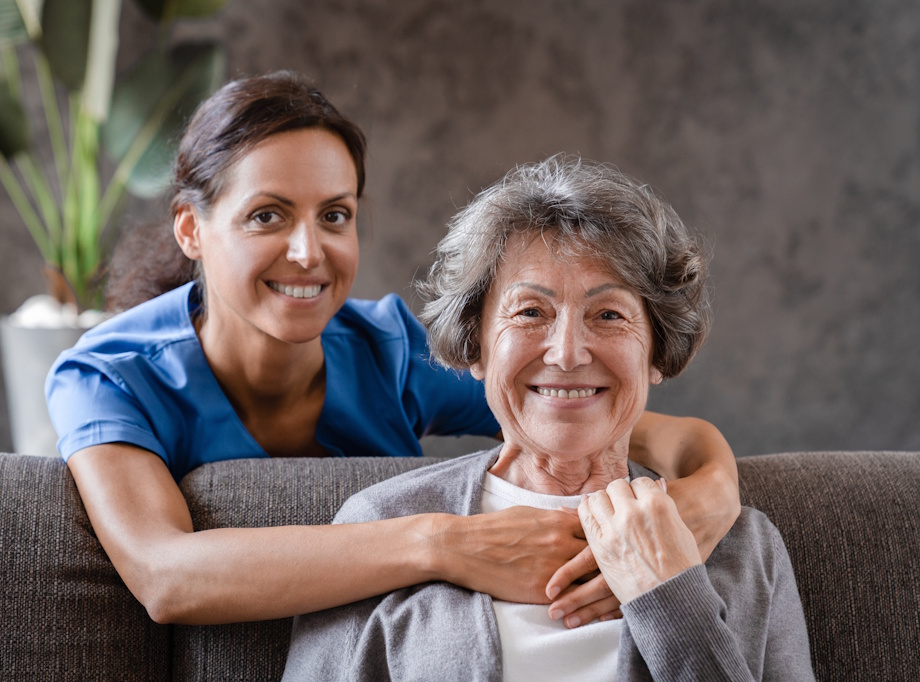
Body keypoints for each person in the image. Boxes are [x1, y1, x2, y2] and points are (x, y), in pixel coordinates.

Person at [46, 71, 741, 626]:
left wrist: (710, 494)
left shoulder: (388, 351)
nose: (307, 251)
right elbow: (166, 576)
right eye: (267, 215)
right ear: (191, 229)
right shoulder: (108, 376)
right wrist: (444, 543)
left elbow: (623, 418)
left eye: (335, 215)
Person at [283, 156, 814, 680]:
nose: (566, 353)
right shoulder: (378, 526)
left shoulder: (745, 549)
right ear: (476, 346)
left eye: (608, 315)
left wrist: (671, 598)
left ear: (657, 352)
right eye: (530, 312)